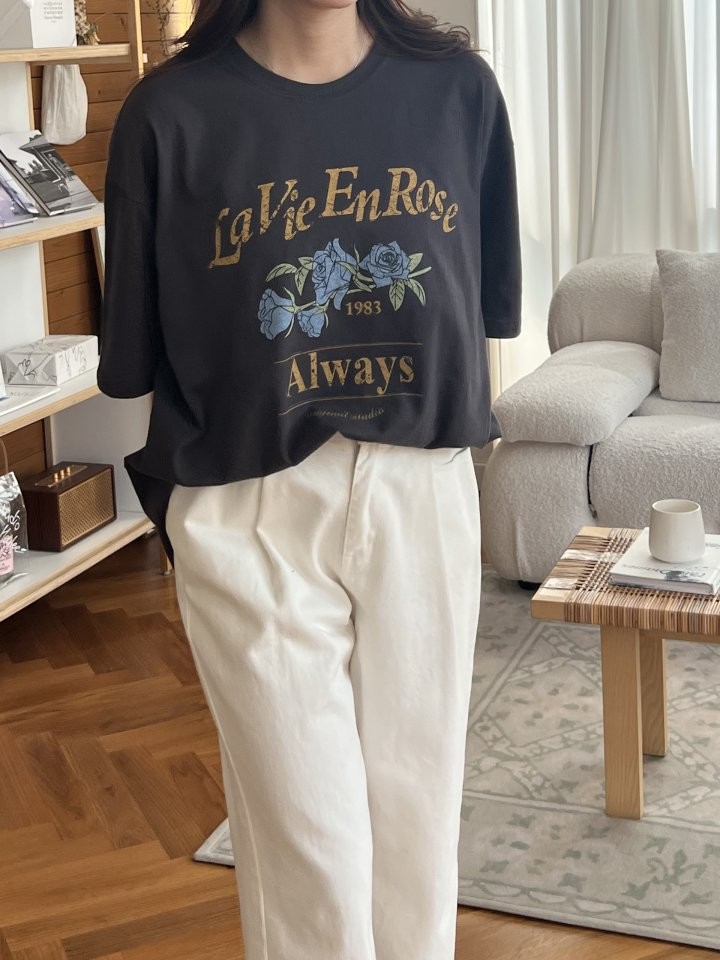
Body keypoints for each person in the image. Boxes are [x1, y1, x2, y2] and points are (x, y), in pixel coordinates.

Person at [97, 1, 521, 958]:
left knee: (417, 828)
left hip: (421, 488)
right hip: (247, 502)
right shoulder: (169, 115)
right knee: (309, 853)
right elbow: (134, 358)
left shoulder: (460, 93)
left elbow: (483, 308)